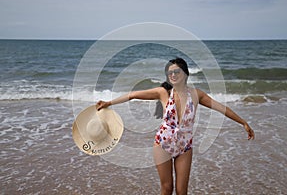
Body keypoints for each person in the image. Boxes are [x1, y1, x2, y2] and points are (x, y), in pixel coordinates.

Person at [96, 58, 255, 195]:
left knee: (181, 191)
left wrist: (243, 123)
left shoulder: (196, 94)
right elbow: (132, 95)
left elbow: (222, 108)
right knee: (167, 189)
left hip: (184, 147)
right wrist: (108, 103)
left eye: (176, 71)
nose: (172, 75)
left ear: (185, 73)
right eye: (169, 72)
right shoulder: (163, 92)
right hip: (163, 144)